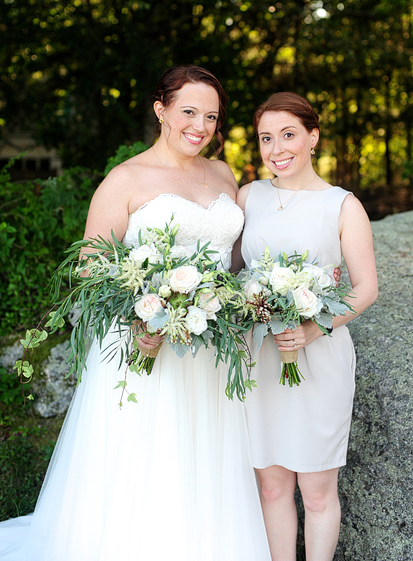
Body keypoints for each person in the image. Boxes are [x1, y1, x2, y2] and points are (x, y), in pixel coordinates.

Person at [0, 65, 270, 560]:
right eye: (188, 111)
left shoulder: (223, 174)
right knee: (149, 457)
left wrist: (249, 296)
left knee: (205, 456)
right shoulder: (126, 178)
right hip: (145, 340)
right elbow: (90, 268)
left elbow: (232, 263)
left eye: (211, 116)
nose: (200, 125)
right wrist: (140, 319)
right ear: (160, 109)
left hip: (211, 346)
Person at [233, 92, 378, 561]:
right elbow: (234, 274)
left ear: (313, 137)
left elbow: (366, 288)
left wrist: (315, 329)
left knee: (316, 490)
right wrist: (250, 306)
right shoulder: (248, 196)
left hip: (318, 359)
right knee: (272, 487)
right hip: (258, 357)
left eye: (289, 135)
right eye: (266, 139)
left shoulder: (342, 205)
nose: (277, 149)